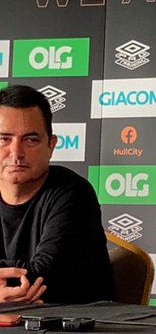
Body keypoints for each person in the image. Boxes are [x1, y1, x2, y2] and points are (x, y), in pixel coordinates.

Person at [0, 85, 114, 303]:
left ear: (51, 146)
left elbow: (44, 275)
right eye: (4, 139)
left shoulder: (73, 193)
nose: (16, 153)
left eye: (30, 139)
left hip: (75, 318)